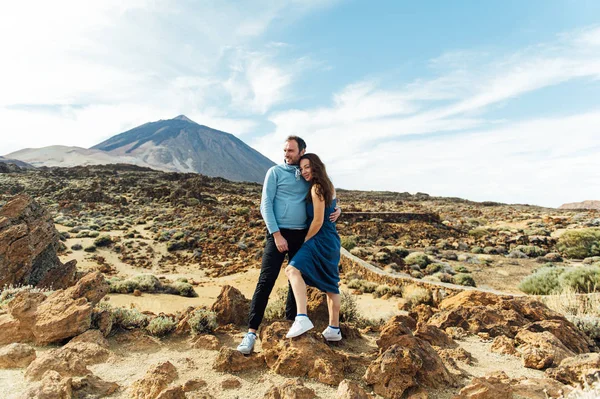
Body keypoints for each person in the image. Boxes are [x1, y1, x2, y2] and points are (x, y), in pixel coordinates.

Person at [237, 137, 341, 354]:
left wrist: (339, 210)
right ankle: (250, 334)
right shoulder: (274, 172)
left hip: (303, 234)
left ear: (302, 151)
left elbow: (326, 196)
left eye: (291, 150)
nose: (287, 154)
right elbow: (265, 204)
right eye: (285, 150)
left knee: (295, 280)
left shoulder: (307, 174)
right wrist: (276, 234)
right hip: (278, 235)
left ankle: (291, 322)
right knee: (265, 281)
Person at [284, 153, 342, 341]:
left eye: (307, 167)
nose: (304, 172)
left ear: (316, 166)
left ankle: (301, 317)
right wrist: (338, 210)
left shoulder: (316, 188)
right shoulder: (328, 185)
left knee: (292, 270)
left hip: (319, 238)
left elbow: (317, 221)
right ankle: (334, 330)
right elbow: (333, 207)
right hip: (331, 240)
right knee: (331, 285)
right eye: (301, 169)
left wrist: (305, 241)